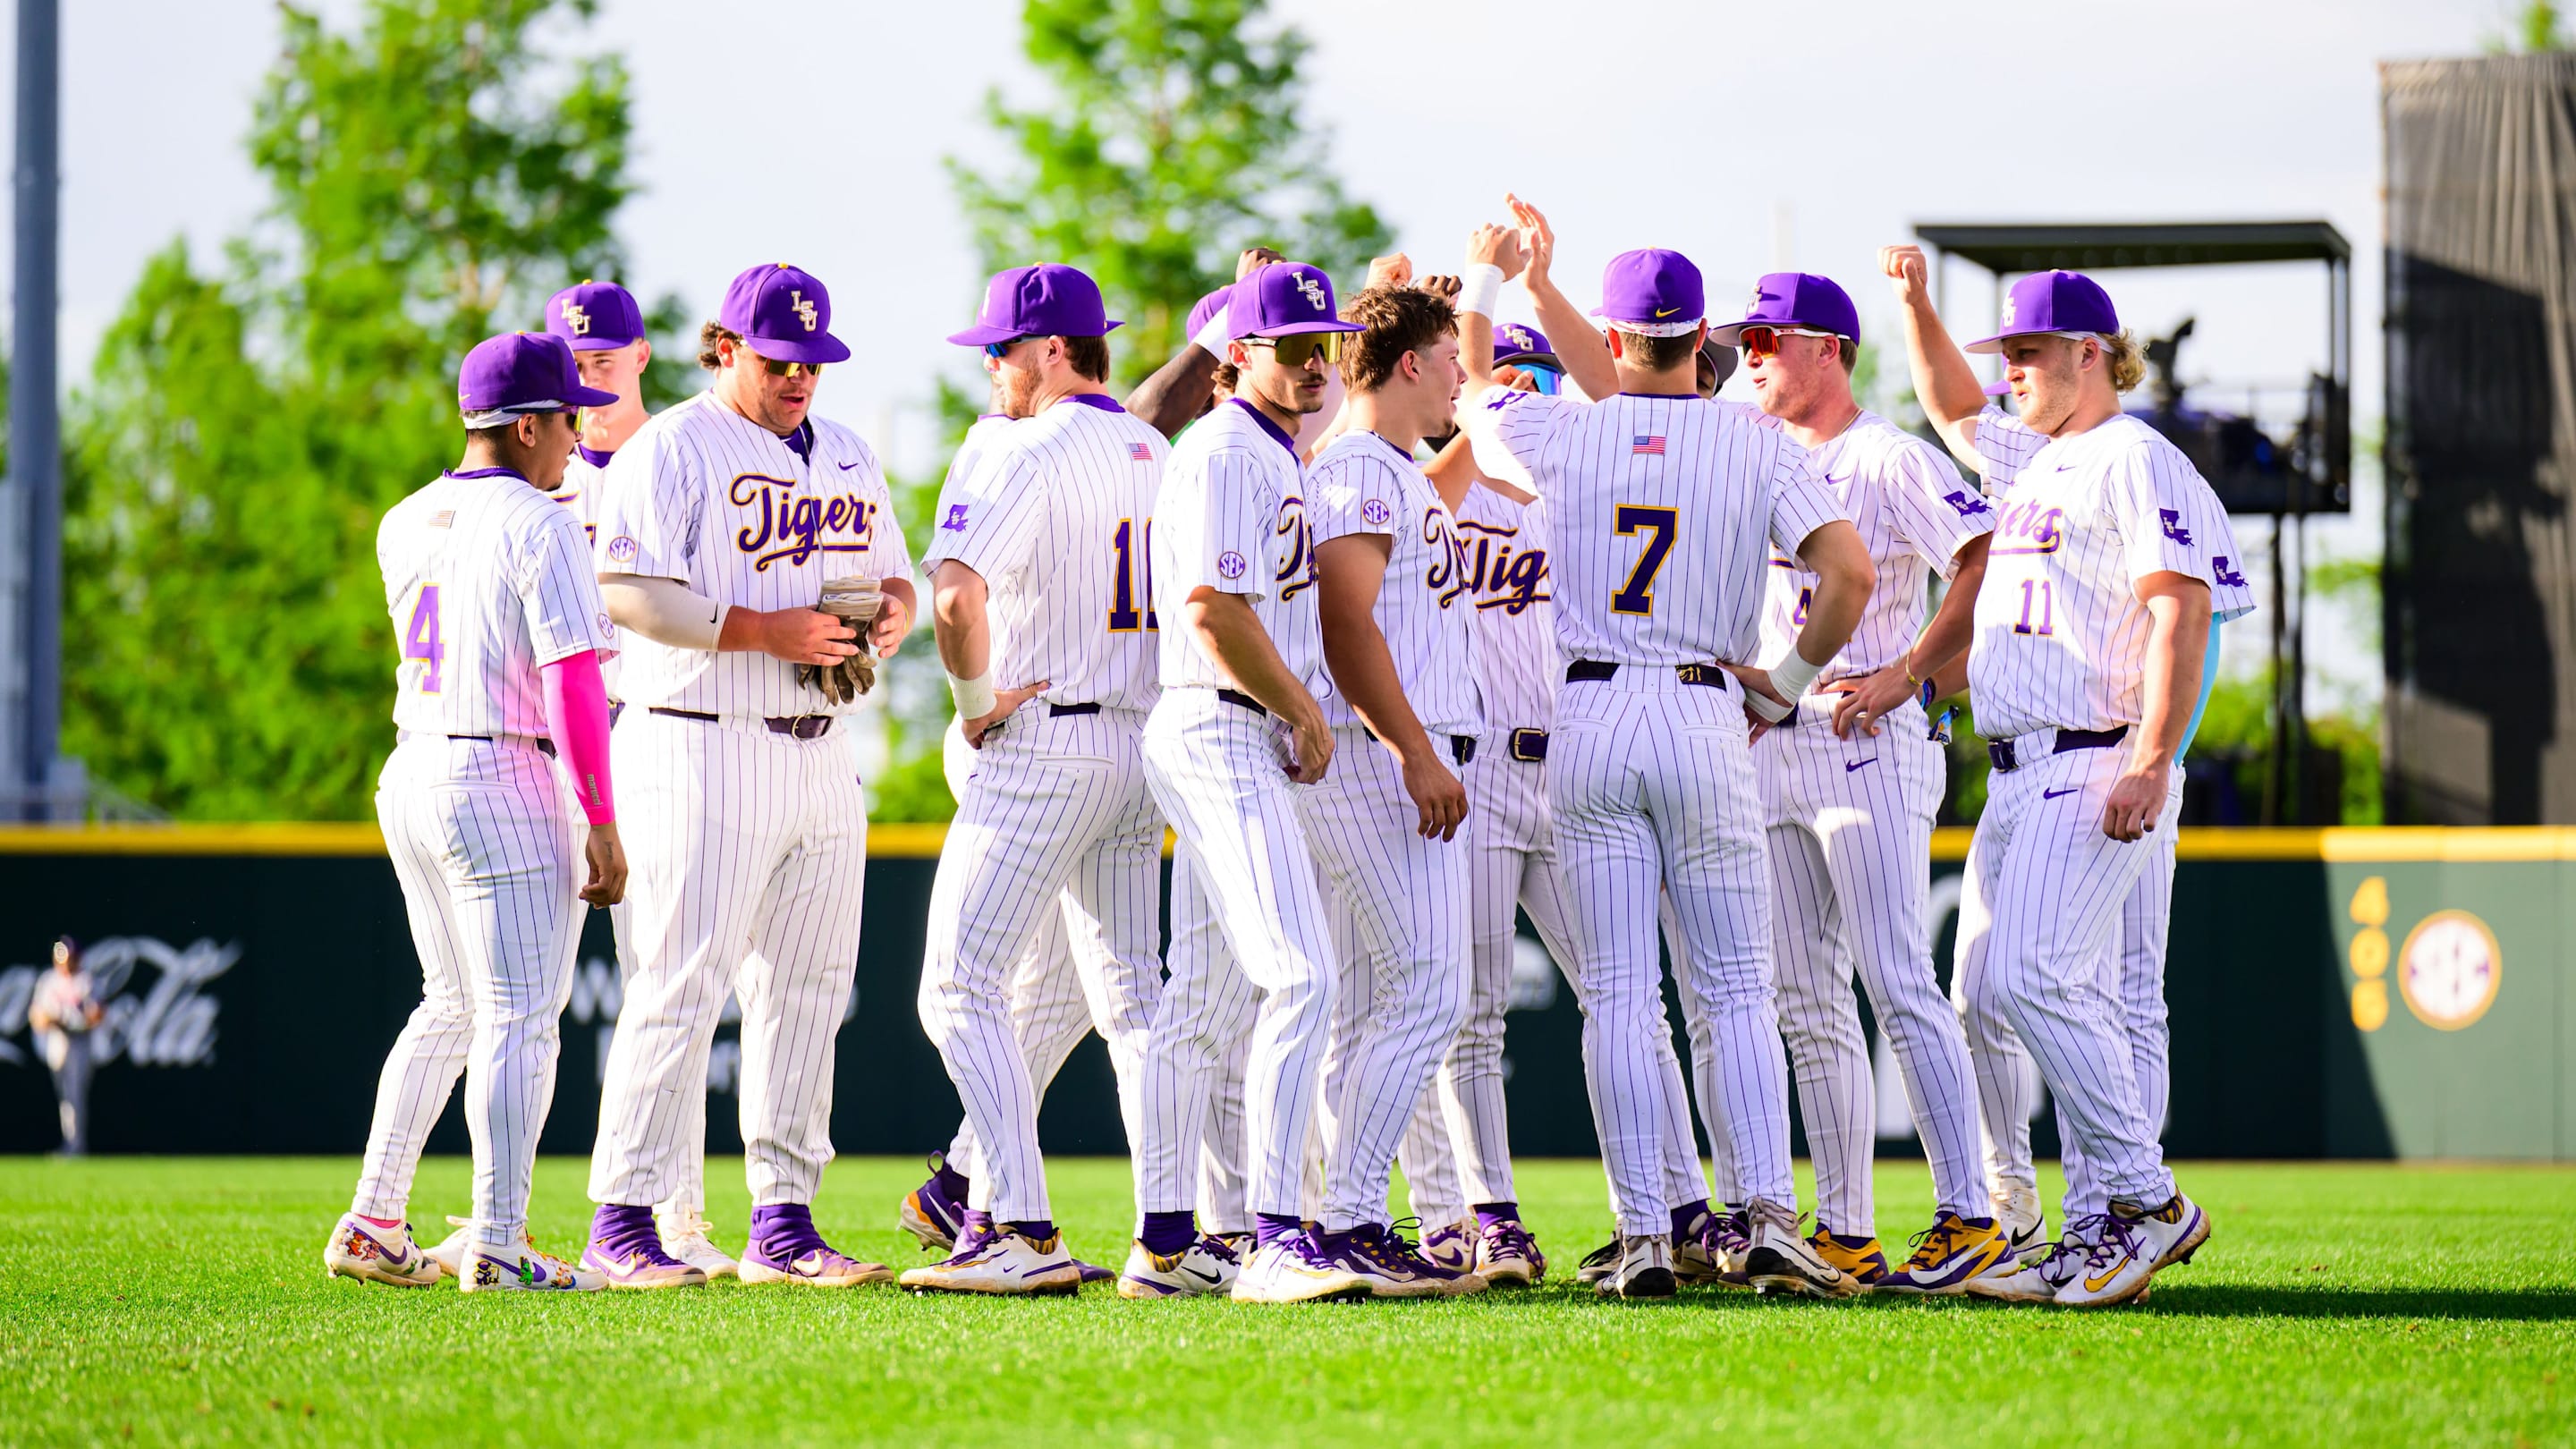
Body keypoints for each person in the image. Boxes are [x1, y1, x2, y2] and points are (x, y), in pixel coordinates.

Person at [1455, 227, 1871, 1300]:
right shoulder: (1755, 440)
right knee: (1736, 990)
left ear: (1609, 336)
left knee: (1621, 1000)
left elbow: (1467, 379)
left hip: (1589, 711)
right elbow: (1850, 576)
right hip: (1703, 708)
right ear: (1704, 338)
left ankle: (1644, 1230)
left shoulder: (1561, 430)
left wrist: (1498, 273)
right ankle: (1767, 1216)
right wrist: (1778, 684)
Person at [1881, 246, 2252, 1307]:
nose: (2010, 371)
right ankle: (2082, 1225)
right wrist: (1914, 309)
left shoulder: (2132, 456)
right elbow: (1955, 405)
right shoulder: (2038, 460)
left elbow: (2185, 613)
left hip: (2094, 757)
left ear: (2093, 355)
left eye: (2030, 354)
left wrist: (2152, 757)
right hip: (2022, 765)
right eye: (2008, 353)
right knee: (2024, 995)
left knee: (2040, 982)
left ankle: (2140, 1203)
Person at [583, 263, 916, 1289]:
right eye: (780, 359)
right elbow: (628, 589)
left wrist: (893, 618)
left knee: (809, 989)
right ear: (725, 346)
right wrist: (765, 629)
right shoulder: (674, 446)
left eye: (813, 361)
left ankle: (784, 1221)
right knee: (681, 982)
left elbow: (896, 574)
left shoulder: (850, 453)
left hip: (820, 745)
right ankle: (624, 1222)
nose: (799, 378)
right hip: (697, 734)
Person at [1707, 271, 2007, 1294]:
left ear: (1829, 348)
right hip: (1775, 738)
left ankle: (1971, 1213)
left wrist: (1908, 670)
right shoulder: (1748, 452)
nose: (1750, 356)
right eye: (1744, 341)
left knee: (1894, 977)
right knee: (1804, 997)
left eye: (1769, 339)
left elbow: (1984, 555)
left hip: (1866, 738)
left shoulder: (1887, 456)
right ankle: (1845, 1228)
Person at [326, 330, 626, 1292]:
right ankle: (497, 1240)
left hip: (412, 767)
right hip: (500, 770)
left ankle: (375, 1217)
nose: (578, 437)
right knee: (520, 1019)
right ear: (528, 424)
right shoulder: (541, 524)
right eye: (569, 418)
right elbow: (574, 682)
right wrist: (602, 817)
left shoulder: (403, 518)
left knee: (449, 1004)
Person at [902, 264, 1169, 1294]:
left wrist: (974, 713)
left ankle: (1016, 1224)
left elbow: (957, 603)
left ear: (1054, 348)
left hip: (1046, 737)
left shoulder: (1022, 449)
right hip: (1136, 744)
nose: (994, 369)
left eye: (1004, 350)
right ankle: (1174, 1235)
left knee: (957, 985)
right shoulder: (1156, 447)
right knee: (1134, 1003)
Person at [1129, 260, 1367, 1304]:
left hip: (1221, 724)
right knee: (1303, 975)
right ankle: (1274, 1235)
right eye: (1294, 347)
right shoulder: (1228, 448)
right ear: (1239, 356)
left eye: (1328, 345)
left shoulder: (1269, 445)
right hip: (1221, 722)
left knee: (1202, 1002)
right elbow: (1215, 610)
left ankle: (1168, 1241)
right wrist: (1304, 708)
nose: (1317, 363)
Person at [1293, 281, 1487, 1297]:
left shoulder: (1390, 468)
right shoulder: (1364, 469)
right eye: (1450, 353)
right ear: (1409, 363)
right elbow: (1345, 623)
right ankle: (1351, 1219)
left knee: (1379, 1006)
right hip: (1379, 763)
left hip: (1392, 757)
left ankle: (1352, 1217)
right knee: (1429, 989)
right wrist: (1414, 748)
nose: (1462, 369)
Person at [29, 936, 103, 1156]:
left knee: (75, 1094)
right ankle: (71, 1143)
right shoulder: (49, 981)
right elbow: (37, 1017)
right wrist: (54, 1019)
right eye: (60, 958)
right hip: (57, 1040)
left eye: (68, 957)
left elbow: (98, 1015)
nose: (64, 963)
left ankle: (76, 1146)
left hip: (80, 1041)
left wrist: (77, 1019)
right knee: (65, 1096)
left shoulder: (86, 981)